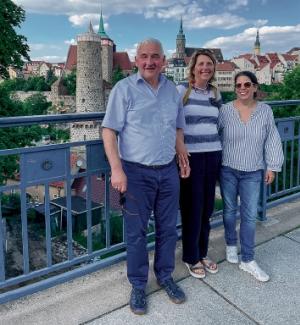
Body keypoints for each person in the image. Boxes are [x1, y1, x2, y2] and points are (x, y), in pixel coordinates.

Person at [102, 38, 190, 315]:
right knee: (136, 234)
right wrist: (117, 169)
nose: (150, 62)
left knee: (168, 229)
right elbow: (108, 131)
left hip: (168, 170)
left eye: (155, 57)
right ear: (137, 60)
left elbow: (177, 128)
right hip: (136, 172)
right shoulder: (123, 89)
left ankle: (165, 276)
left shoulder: (173, 91)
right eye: (144, 56)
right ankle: (138, 285)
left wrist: (182, 155)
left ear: (163, 61)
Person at [218, 70, 284, 282]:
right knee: (229, 211)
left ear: (255, 87)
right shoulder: (225, 110)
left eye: (247, 85)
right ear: (234, 88)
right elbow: (215, 136)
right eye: (239, 85)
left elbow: (272, 138)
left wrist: (272, 166)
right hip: (227, 168)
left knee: (248, 215)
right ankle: (230, 244)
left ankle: (248, 259)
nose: (243, 89)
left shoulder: (265, 111)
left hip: (253, 171)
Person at [176, 49, 222, 279]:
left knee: (207, 209)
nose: (206, 68)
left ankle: (202, 252)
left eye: (210, 64)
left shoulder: (215, 93)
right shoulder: (182, 91)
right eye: (201, 64)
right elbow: (174, 124)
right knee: (192, 208)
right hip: (190, 158)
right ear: (193, 67)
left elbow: (219, 123)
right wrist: (180, 147)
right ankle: (191, 257)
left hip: (213, 154)